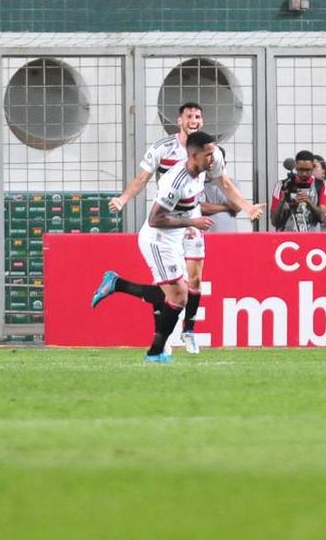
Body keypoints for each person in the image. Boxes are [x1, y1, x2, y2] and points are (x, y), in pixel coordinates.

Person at [108, 102, 261, 354]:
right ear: (180, 120)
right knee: (173, 289)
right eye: (189, 116)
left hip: (191, 219)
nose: (194, 119)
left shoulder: (209, 151)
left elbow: (224, 182)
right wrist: (122, 199)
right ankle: (161, 339)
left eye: (198, 116)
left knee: (195, 279)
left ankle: (188, 331)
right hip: (167, 222)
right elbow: (142, 179)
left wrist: (247, 207)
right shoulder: (163, 150)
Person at [92, 131, 223, 363]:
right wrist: (192, 222)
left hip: (174, 239)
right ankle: (156, 352)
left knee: (176, 295)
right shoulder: (176, 182)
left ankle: (117, 284)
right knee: (180, 297)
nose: (213, 159)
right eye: (209, 154)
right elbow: (155, 219)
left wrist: (190, 223)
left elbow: (188, 205)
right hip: (157, 240)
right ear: (194, 155)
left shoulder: (200, 174)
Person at [270, 151, 326, 232]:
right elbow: (274, 221)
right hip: (286, 239)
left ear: (313, 167)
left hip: (311, 240)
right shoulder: (281, 185)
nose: (304, 174)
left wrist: (309, 202)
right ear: (295, 167)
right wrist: (283, 201)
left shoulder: (321, 185)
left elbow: (322, 217)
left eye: (308, 170)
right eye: (301, 170)